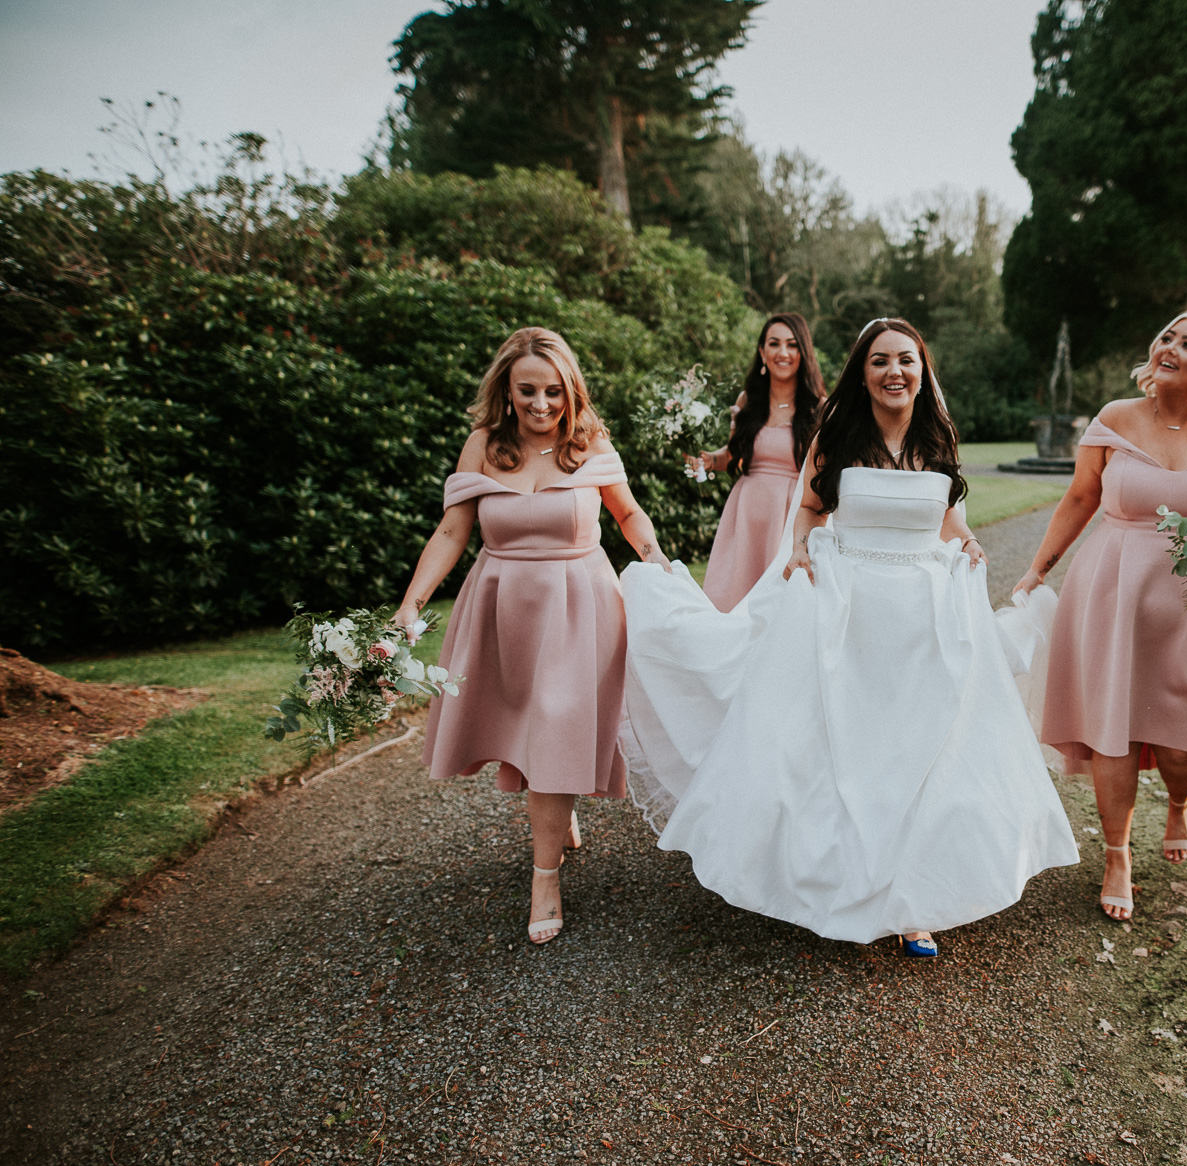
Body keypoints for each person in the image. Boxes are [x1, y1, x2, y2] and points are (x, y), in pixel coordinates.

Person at [620, 318, 1077, 957]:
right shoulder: (840, 436)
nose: (896, 372)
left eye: (907, 361)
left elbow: (945, 513)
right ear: (862, 373)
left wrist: (968, 541)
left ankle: (915, 900)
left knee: (920, 751)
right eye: (881, 361)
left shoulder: (936, 436)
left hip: (923, 623)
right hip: (851, 613)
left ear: (923, 371)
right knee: (848, 750)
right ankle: (833, 884)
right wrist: (804, 547)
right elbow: (809, 509)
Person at [393, 327, 671, 945]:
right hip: (503, 607)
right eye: (527, 391)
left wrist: (655, 558)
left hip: (579, 606)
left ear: (570, 390)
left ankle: (545, 876)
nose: (541, 405)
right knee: (528, 727)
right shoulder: (484, 445)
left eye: (553, 391)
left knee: (554, 722)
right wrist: (410, 603)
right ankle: (557, 813)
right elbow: (451, 532)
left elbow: (627, 513)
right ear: (506, 389)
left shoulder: (588, 442)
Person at [1012, 310, 1187, 923]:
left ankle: (1181, 801)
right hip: (1115, 588)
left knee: (1184, 740)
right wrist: (1038, 569)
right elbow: (1081, 495)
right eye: (1166, 336)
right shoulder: (1114, 419)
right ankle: (1116, 856)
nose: (1170, 347)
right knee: (1113, 724)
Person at [687, 313, 827, 610]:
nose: (783, 353)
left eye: (792, 345)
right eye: (774, 344)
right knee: (735, 601)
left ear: (803, 352)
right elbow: (736, 457)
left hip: (790, 514)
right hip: (747, 511)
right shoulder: (747, 401)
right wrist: (711, 460)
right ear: (762, 352)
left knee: (782, 604)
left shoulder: (819, 408)